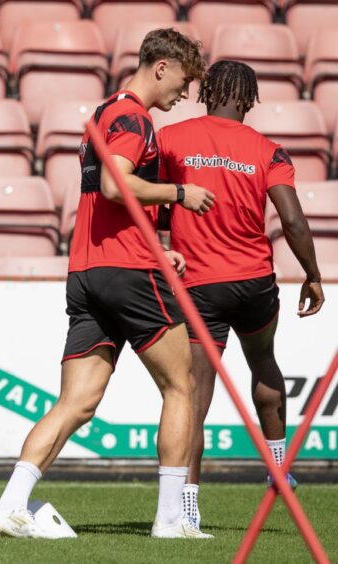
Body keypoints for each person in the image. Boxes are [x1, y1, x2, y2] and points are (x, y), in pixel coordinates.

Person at [0, 28, 216, 539]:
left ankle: (9, 504)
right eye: (184, 80)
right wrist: (179, 193)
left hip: (87, 271)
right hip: (128, 272)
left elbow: (107, 197)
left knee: (77, 403)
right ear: (160, 67)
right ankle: (172, 519)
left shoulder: (102, 112)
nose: (186, 93)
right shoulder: (134, 116)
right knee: (183, 386)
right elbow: (116, 185)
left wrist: (161, 246)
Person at [155, 60, 325, 529]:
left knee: (194, 394)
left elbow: (156, 202)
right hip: (253, 280)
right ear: (249, 99)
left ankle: (187, 504)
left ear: (205, 91)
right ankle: (277, 468)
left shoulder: (171, 138)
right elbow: (291, 220)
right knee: (264, 361)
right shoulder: (269, 150)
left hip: (199, 284)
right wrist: (312, 274)